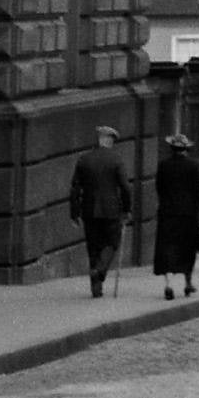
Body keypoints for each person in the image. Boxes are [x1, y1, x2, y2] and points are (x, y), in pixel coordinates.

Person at [68, 125, 132, 299]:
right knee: (113, 242)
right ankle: (100, 270)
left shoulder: (84, 159)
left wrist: (74, 212)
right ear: (109, 140)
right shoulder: (116, 159)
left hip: (89, 210)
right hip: (111, 210)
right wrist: (127, 209)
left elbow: (75, 188)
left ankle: (96, 288)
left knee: (93, 246)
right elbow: (125, 187)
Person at [154, 134, 199, 300]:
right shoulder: (193, 165)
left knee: (167, 247)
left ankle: (168, 285)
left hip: (167, 212)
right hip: (188, 213)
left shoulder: (163, 165)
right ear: (186, 149)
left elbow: (159, 188)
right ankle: (187, 282)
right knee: (187, 247)